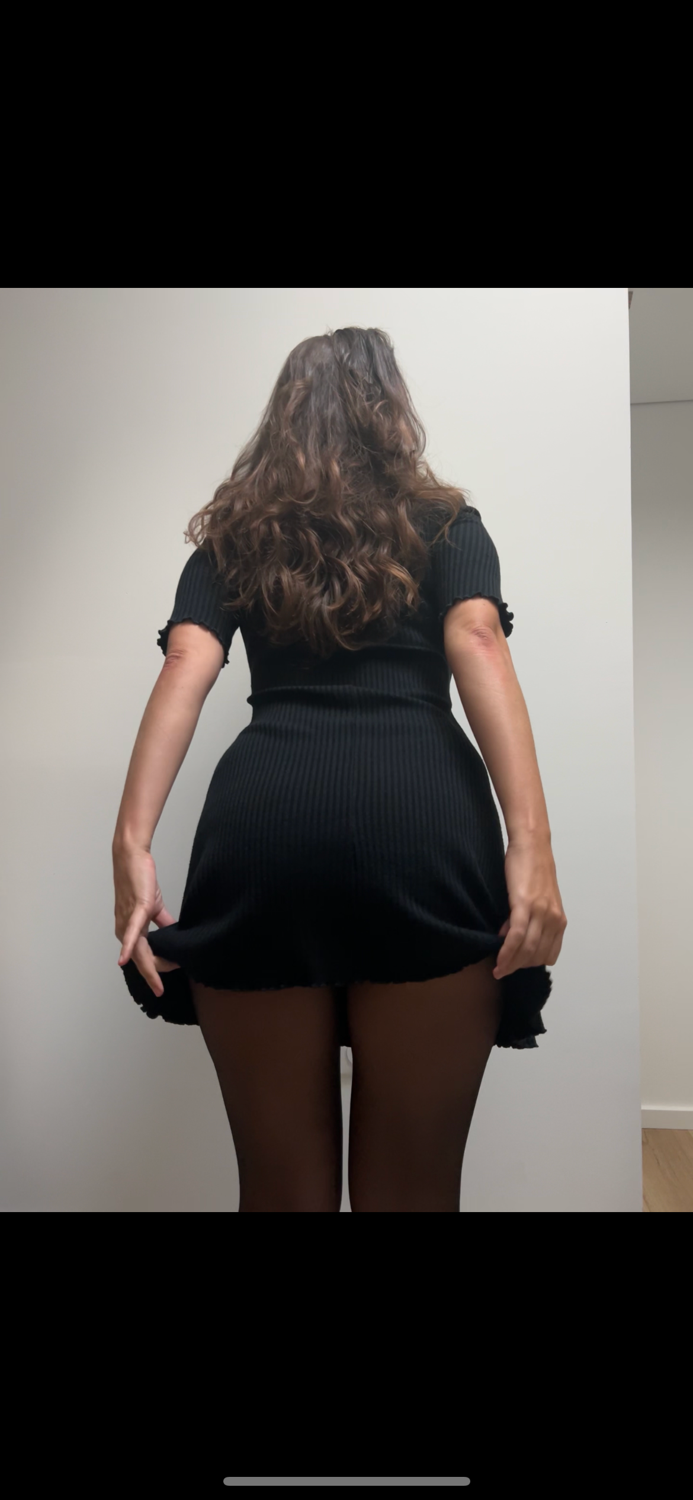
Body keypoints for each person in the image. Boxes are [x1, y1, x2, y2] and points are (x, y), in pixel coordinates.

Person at [112, 326, 567, 1213]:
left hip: (263, 829)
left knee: (279, 1189)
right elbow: (477, 639)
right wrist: (532, 847)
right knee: (413, 1190)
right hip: (421, 827)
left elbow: (186, 663)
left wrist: (130, 842)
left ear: (282, 416)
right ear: (390, 411)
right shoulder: (448, 525)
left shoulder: (233, 538)